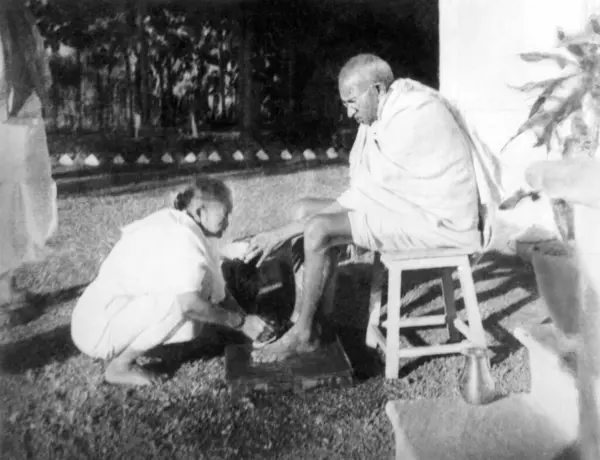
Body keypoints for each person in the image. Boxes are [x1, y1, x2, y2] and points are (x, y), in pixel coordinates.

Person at [244, 54, 502, 363]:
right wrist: (288, 227)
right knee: (303, 210)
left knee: (317, 228)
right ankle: (310, 320)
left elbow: (370, 193)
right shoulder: (388, 110)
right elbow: (370, 189)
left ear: (377, 89)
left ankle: (304, 334)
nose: (348, 113)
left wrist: (281, 233)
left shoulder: (413, 114)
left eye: (352, 102)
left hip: (437, 222)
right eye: (344, 104)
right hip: (407, 209)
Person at [71, 176, 271, 386]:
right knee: (183, 303)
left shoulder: (187, 224)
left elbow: (219, 290)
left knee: (198, 297)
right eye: (223, 215)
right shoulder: (183, 238)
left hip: (103, 316)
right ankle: (120, 367)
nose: (228, 222)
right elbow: (189, 304)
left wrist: (245, 319)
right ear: (200, 212)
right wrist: (239, 323)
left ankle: (131, 348)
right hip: (96, 330)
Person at [0, 0, 57, 323]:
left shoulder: (18, 13)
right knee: (4, 199)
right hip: (4, 117)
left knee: (21, 199)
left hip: (22, 112)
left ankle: (8, 285)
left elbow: (33, 60)